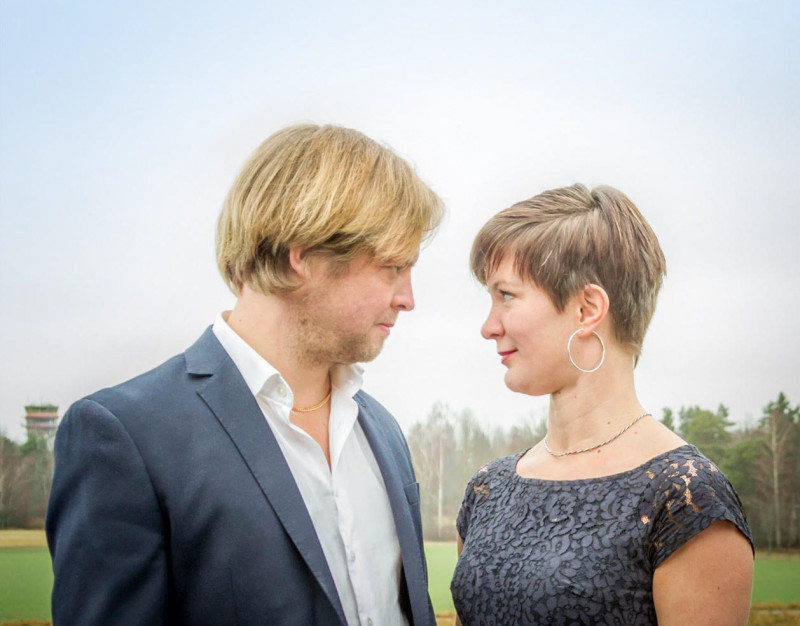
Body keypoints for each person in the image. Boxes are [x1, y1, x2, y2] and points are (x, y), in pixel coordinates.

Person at [46, 124, 443, 625]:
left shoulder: (381, 429)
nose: (408, 298)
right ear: (304, 254)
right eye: (393, 267)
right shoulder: (126, 436)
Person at [451, 184, 753, 625]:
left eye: (507, 295)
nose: (488, 326)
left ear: (587, 308)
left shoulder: (686, 500)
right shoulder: (488, 490)